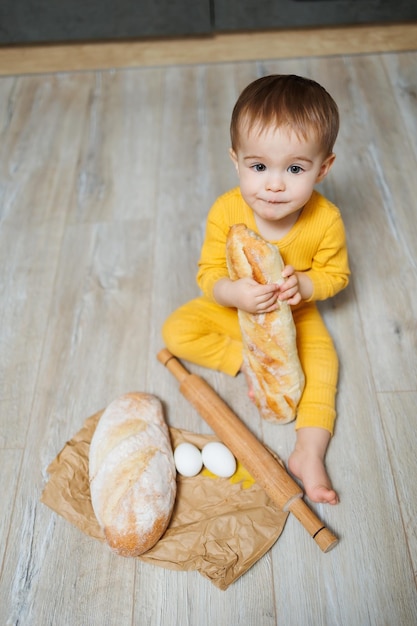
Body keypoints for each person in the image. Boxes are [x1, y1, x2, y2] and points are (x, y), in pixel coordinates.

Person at [162, 74, 350, 504]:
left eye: (296, 169)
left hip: (295, 314)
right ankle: (248, 362)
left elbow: (336, 275)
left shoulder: (325, 220)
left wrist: (305, 284)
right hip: (237, 309)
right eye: (259, 166)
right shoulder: (227, 210)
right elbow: (208, 272)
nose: (274, 184)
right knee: (177, 330)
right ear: (236, 160)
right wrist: (232, 293)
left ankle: (309, 451)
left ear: (323, 168)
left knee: (323, 365)